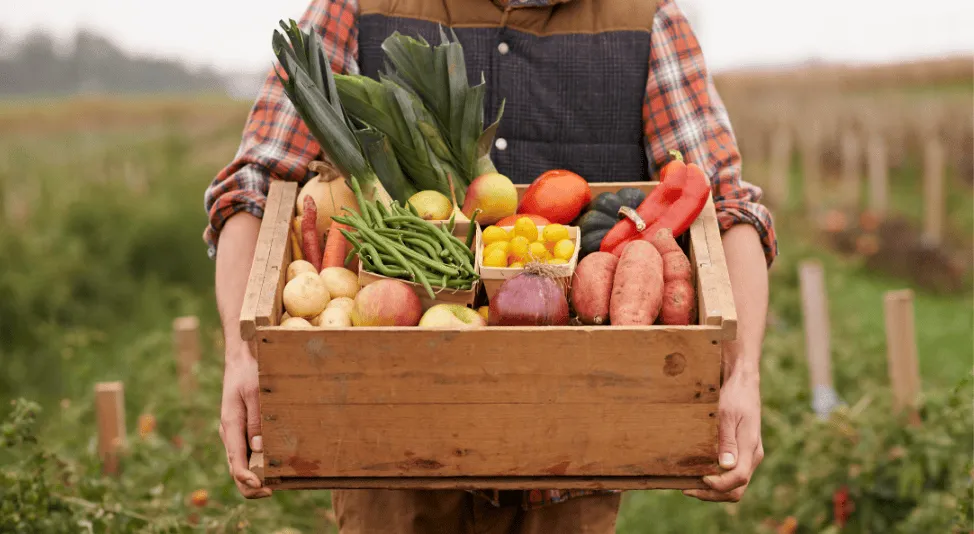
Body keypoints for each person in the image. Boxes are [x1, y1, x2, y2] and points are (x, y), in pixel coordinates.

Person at [206, 0, 777, 531]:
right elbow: (256, 185)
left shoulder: (644, 14)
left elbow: (725, 207)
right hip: (391, 457)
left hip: (575, 459)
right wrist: (241, 353)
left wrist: (741, 374)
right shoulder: (358, 6)